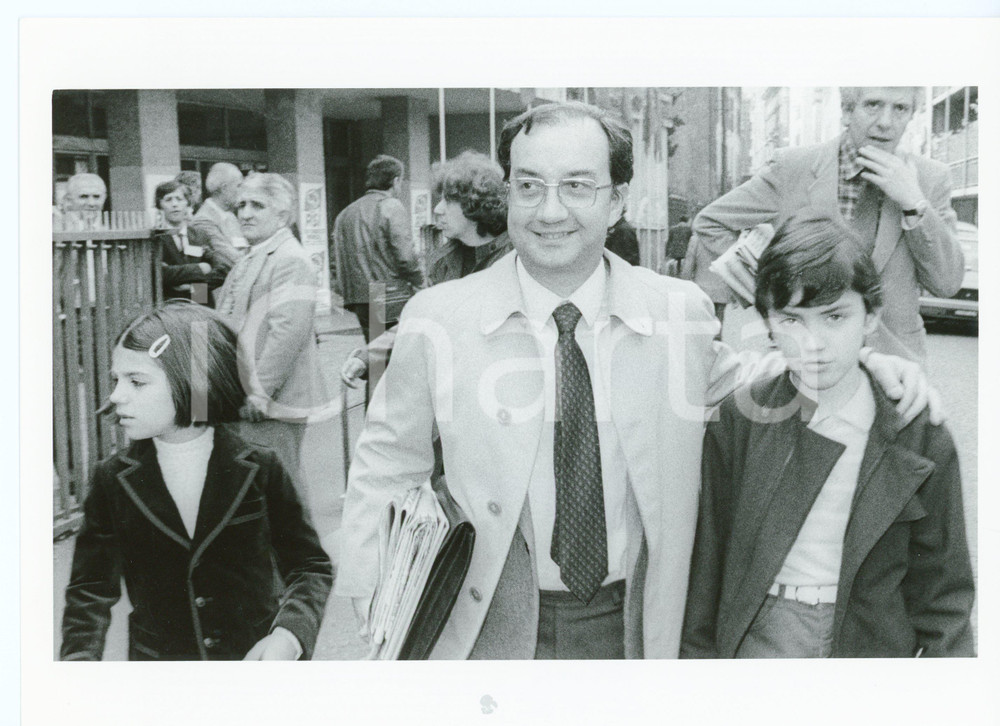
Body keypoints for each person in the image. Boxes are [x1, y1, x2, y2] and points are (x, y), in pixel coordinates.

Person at [335, 101, 934, 661]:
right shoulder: (439, 317)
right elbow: (388, 460)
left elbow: (756, 386)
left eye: (576, 185)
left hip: (636, 621)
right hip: (484, 622)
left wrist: (863, 363)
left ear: (618, 199)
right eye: (529, 186)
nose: (549, 211)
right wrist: (372, 592)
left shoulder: (680, 312)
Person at [680, 210, 974, 658]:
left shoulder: (919, 433)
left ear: (871, 316)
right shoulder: (740, 420)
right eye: (793, 320)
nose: (813, 343)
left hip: (867, 640)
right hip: (760, 637)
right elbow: (707, 571)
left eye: (834, 317)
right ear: (768, 322)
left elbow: (943, 595)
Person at [60, 301, 333, 661]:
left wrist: (289, 635)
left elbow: (309, 566)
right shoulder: (112, 480)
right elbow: (89, 590)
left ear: (195, 381)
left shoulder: (260, 466)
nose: (115, 396)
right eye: (116, 379)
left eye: (136, 382)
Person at [691, 86, 964, 363]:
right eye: (872, 105)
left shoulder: (930, 179)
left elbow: (947, 284)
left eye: (900, 108)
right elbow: (712, 222)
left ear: (911, 115)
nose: (885, 121)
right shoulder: (794, 168)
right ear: (847, 111)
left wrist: (914, 202)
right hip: (807, 361)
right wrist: (775, 289)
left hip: (894, 367)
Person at [340, 150, 512, 389]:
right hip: (387, 294)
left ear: (476, 204)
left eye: (448, 200)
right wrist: (368, 355)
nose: (438, 209)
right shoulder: (444, 263)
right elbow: (422, 321)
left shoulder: (517, 260)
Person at [214, 173, 329, 511]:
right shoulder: (255, 254)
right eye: (241, 205)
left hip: (274, 399)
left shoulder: (289, 259)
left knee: (281, 486)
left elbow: (287, 332)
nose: (245, 214)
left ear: (282, 215)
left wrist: (259, 391)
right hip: (250, 395)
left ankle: (303, 561)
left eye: (257, 205)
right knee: (261, 486)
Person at [330, 154, 427, 342]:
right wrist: (420, 282)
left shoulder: (345, 213)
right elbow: (405, 255)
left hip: (357, 296)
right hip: (388, 293)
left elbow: (335, 261)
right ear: (395, 180)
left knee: (376, 354)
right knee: (396, 351)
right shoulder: (391, 206)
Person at [153, 180, 225, 304]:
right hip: (171, 306)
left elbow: (221, 271)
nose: (174, 204)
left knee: (200, 323)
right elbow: (160, 274)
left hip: (201, 302)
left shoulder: (200, 235)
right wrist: (200, 268)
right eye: (168, 199)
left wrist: (193, 288)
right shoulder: (156, 238)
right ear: (160, 205)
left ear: (187, 203)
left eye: (179, 199)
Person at [191, 162, 248, 276]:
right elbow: (232, 260)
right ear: (224, 188)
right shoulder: (203, 220)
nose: (242, 191)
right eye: (239, 186)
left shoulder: (230, 216)